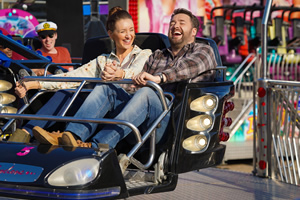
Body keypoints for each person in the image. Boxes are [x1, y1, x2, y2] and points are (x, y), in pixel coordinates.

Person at [31, 8, 217, 149]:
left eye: (181, 22)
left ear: (193, 31)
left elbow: (189, 68)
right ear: (112, 35)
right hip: (136, 121)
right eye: (172, 22)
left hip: (168, 123)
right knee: (106, 89)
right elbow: (134, 83)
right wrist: (114, 80)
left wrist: (159, 78)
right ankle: (71, 136)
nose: (175, 25)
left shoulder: (203, 50)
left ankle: (98, 145)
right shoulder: (158, 55)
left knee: (148, 92)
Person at [8, 7, 152, 143]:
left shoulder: (144, 54)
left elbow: (135, 72)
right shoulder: (103, 60)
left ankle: (68, 135)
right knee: (66, 92)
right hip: (101, 110)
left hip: (129, 110)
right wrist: (33, 83)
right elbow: (71, 77)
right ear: (111, 34)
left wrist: (118, 74)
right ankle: (25, 132)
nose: (128, 36)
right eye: (123, 31)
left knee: (104, 88)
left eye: (131, 30)